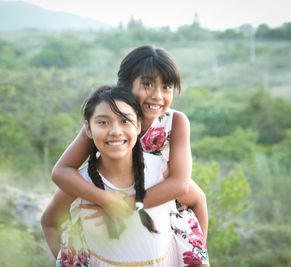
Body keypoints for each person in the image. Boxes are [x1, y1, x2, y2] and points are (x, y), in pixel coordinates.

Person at [45, 45, 209, 266]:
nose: (157, 95)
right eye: (147, 84)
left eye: (167, 86)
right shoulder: (107, 122)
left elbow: (180, 184)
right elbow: (61, 171)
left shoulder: (175, 121)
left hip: (159, 194)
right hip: (113, 183)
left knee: (197, 198)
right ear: (125, 85)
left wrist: (125, 207)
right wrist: (105, 199)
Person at [43, 85, 180, 266]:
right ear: (88, 129)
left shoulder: (161, 172)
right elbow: (50, 223)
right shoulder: (80, 184)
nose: (115, 131)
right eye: (103, 122)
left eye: (125, 121)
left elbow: (197, 202)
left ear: (138, 125)